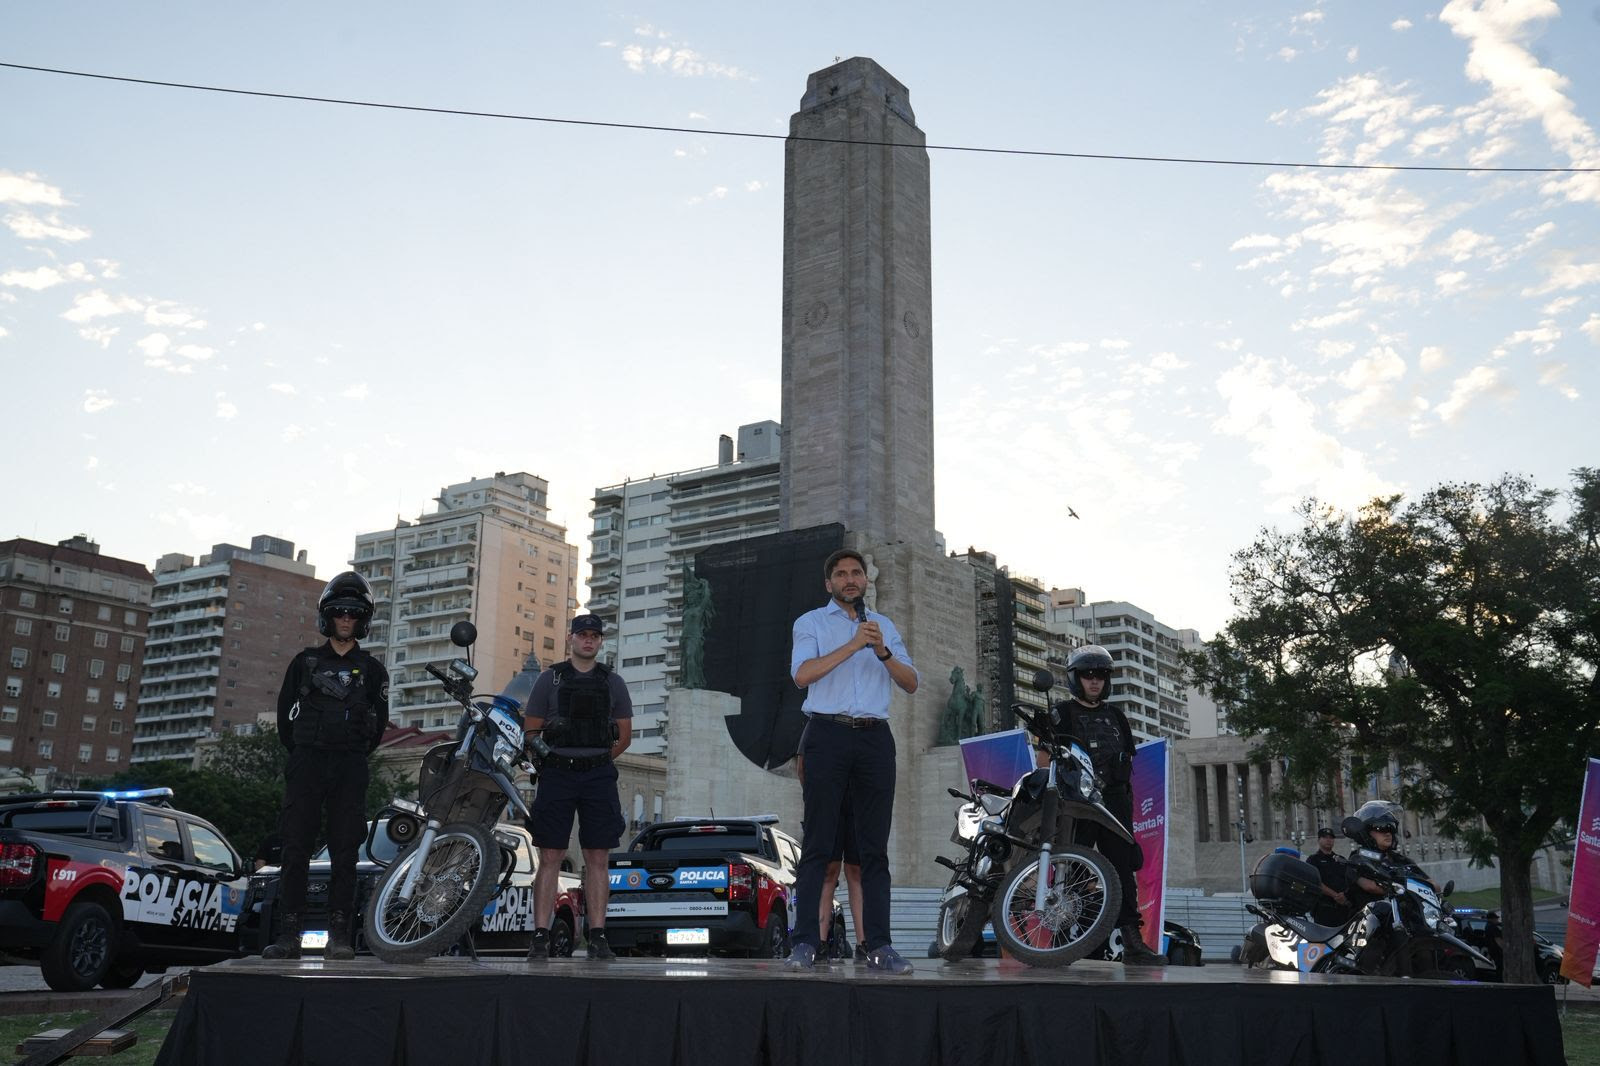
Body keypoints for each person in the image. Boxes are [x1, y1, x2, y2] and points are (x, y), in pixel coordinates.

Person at [786, 549, 919, 974]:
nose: (849, 579)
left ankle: (879, 945)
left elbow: (911, 683)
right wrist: (853, 644)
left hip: (875, 739)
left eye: (856, 573)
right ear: (829, 584)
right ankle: (805, 942)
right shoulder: (810, 623)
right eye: (841, 574)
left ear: (865, 580)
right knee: (818, 844)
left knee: (873, 849)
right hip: (827, 734)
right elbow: (802, 675)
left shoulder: (885, 627)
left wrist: (882, 651)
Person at [263, 572, 389, 962]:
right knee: (295, 847)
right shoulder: (304, 663)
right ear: (327, 617)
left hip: (350, 764)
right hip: (307, 761)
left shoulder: (372, 670)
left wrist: (350, 750)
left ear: (363, 619)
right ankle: (288, 935)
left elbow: (379, 726)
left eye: (353, 614)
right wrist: (308, 750)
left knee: (345, 851)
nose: (346, 619)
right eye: (339, 613)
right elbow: (284, 720)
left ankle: (339, 936)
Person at [1044, 644, 1166, 966]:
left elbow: (1127, 763)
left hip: (1114, 801)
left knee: (1122, 871)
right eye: (1087, 675)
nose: (1094, 680)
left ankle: (1133, 943)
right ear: (1075, 678)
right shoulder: (1062, 714)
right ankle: (1060, 940)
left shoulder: (1117, 717)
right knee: (1071, 870)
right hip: (1077, 802)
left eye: (1100, 675)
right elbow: (1046, 759)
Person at [523, 614, 632, 962]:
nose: (588, 640)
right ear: (571, 638)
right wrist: (557, 759)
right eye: (582, 635)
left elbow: (624, 736)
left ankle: (597, 936)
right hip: (557, 774)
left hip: (598, 775)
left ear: (600, 641)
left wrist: (595, 759)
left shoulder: (613, 682)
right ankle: (540, 935)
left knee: (598, 857)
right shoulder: (549, 679)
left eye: (594, 636)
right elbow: (531, 731)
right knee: (550, 856)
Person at [795, 732, 866, 961]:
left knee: (856, 870)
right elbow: (802, 767)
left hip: (857, 802)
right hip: (828, 802)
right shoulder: (818, 726)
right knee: (829, 870)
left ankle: (864, 943)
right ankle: (820, 942)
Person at [1305, 827, 1353, 925]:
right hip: (1324, 908)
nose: (1328, 840)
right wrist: (1335, 896)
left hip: (1343, 908)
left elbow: (1350, 880)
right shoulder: (1313, 860)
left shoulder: (1341, 859)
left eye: (1331, 838)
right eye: (1325, 837)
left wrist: (1345, 895)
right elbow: (1314, 882)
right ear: (1319, 840)